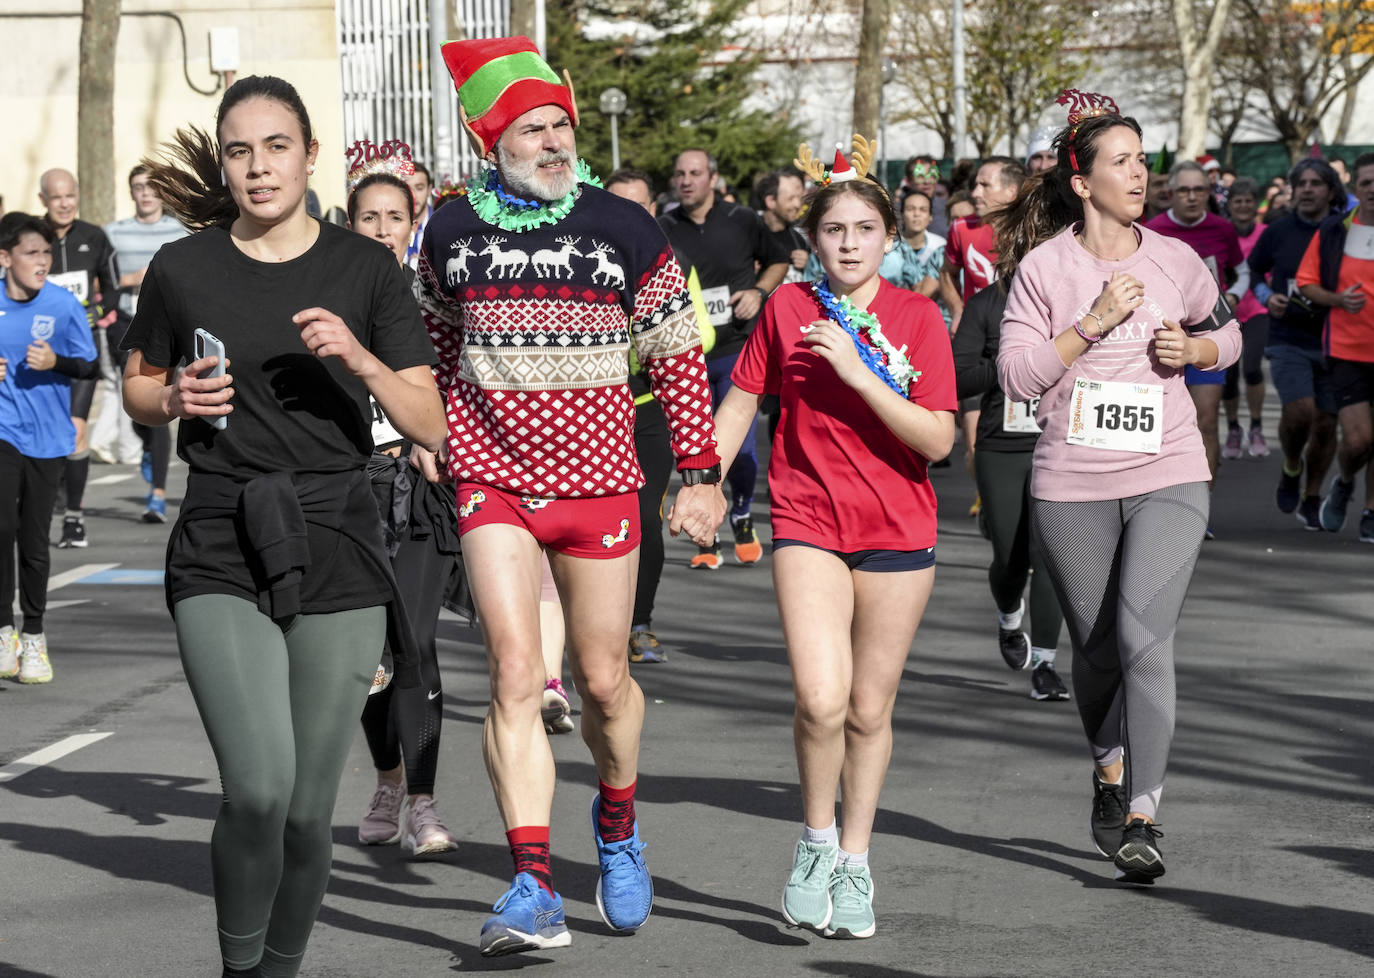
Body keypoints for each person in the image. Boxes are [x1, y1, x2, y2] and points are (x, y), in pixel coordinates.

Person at [120, 75, 446, 978]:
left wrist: (360, 356)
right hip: (221, 534)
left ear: (309, 155)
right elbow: (138, 386)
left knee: (308, 811)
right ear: (222, 162)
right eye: (239, 150)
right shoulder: (186, 268)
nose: (258, 167)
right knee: (258, 791)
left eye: (275, 147)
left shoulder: (365, 269)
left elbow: (428, 422)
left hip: (336, 537)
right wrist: (172, 394)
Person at [418, 36, 724, 956]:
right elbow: (433, 340)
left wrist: (700, 475)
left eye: (561, 125)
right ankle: (533, 884)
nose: (553, 142)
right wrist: (436, 433)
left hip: (600, 481)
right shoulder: (448, 230)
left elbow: (677, 353)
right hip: (492, 476)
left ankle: (619, 825)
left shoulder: (624, 226)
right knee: (516, 675)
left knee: (601, 679)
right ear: (491, 140)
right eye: (532, 128)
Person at [996, 93, 1240, 885]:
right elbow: (1018, 376)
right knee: (1098, 648)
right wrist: (1093, 321)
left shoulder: (1174, 258)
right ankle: (1107, 772)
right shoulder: (1044, 269)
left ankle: (1143, 813)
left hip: (1170, 470)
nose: (1141, 174)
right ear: (1082, 180)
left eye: (1144, 160)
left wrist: (1197, 346)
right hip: (1073, 482)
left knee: (1143, 637)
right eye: (1123, 162)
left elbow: (1231, 332)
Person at [716, 139, 955, 939]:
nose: (848, 243)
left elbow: (938, 441)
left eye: (863, 228)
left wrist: (858, 371)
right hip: (809, 520)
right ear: (811, 239)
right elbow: (744, 397)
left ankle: (856, 859)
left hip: (898, 528)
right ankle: (816, 840)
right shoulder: (788, 308)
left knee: (867, 709)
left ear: (889, 238)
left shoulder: (919, 318)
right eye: (833, 230)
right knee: (820, 700)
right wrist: (701, 478)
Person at [342, 160, 465, 856]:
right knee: (369, 655)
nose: (383, 229)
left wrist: (433, 434)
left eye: (395, 217)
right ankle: (386, 780)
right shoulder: (328, 294)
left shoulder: (434, 299)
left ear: (412, 224)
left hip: (417, 492)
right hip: (348, 495)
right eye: (369, 217)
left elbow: (460, 380)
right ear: (349, 221)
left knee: (415, 644)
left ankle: (422, 799)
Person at [605, 167, 716, 664]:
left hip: (647, 410)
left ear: (653, 211)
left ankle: (639, 623)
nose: (628, 216)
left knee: (644, 520)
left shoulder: (671, 260)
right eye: (617, 206)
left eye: (638, 206)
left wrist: (648, 339)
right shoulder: (579, 259)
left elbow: (704, 335)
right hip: (590, 413)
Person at [660, 147, 788, 569]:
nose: (686, 180)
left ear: (712, 178)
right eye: (680, 173)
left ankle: (743, 510)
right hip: (687, 352)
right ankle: (706, 532)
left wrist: (758, 292)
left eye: (695, 172)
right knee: (696, 447)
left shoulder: (742, 219)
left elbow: (778, 260)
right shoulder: (664, 227)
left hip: (737, 346)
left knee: (743, 448)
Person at [952, 273, 1067, 700]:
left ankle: (1045, 665)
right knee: (1011, 558)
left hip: (1061, 442)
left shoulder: (1078, 293)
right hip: (1002, 446)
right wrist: (1012, 363)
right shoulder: (987, 304)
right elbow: (959, 377)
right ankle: (1007, 616)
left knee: (1050, 555)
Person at [0, 213, 100, 684]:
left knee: (33, 539)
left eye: (46, 253)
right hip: (3, 431)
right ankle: (4, 632)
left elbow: (90, 367)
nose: (42, 262)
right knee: (2, 529)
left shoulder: (63, 305)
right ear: (5, 258)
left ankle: (34, 635)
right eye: (31, 254)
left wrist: (55, 361)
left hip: (48, 436)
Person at [1146, 161, 1249, 534]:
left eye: (1199, 190)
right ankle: (1157, 504)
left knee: (1206, 420)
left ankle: (1199, 508)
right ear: (1170, 193)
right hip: (1160, 341)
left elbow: (1242, 269)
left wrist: (1234, 295)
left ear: (1209, 192)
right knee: (1160, 425)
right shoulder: (1152, 231)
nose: (1191, 197)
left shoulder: (1222, 229)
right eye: (1184, 190)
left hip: (1206, 338)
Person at [1249, 159, 1346, 526]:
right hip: (1288, 336)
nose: (1307, 189)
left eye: (1316, 183)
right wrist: (1264, 295)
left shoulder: (1342, 232)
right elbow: (1256, 268)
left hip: (1335, 339)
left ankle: (1312, 494)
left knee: (1325, 425)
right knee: (1300, 412)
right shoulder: (1278, 230)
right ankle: (1292, 466)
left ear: (1331, 191)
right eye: (1301, 183)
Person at [37, 168, 118, 549]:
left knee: (76, 430)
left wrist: (101, 316)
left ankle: (74, 519)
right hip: (37, 352)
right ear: (44, 201)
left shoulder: (94, 236)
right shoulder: (31, 239)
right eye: (56, 198)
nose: (65, 203)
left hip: (81, 351)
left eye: (70, 195)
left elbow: (113, 285)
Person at [103, 165, 188, 522]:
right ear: (132, 192)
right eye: (139, 187)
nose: (146, 193)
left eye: (152, 188)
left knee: (163, 404)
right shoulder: (115, 233)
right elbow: (103, 282)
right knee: (136, 404)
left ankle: (157, 495)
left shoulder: (180, 231)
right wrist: (131, 279)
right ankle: (147, 450)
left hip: (171, 330)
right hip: (127, 327)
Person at [1297, 152, 1374, 540]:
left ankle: (1371, 511)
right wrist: (1338, 300)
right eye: (1366, 183)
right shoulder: (1334, 230)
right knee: (1359, 440)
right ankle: (1344, 482)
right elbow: (1306, 282)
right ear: (1356, 189)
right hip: (1347, 350)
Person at [1219, 177, 1271, 460]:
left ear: (1255, 205)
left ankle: (1256, 426)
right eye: (1238, 201)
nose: (1243, 206)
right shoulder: (1223, 232)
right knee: (1228, 375)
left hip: (1258, 310)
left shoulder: (1266, 232)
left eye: (1248, 201)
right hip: (1228, 311)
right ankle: (1233, 429)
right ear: (1231, 205)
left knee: (1252, 368)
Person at [878, 190, 944, 298]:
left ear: (930, 216)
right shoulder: (888, 248)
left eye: (923, 210)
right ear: (902, 214)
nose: (916, 214)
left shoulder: (941, 246)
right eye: (910, 209)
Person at [755, 169, 810, 285]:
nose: (797, 204)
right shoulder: (750, 236)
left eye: (799, 198)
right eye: (790, 199)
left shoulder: (798, 239)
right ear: (770, 201)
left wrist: (808, 265)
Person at [403, 161, 434, 268]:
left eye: (419, 188)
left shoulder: (441, 225)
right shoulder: (390, 228)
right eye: (407, 189)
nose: (414, 196)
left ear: (429, 190)